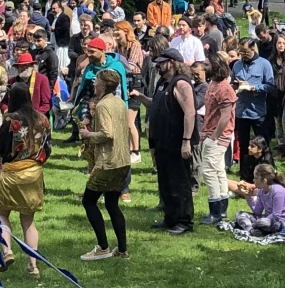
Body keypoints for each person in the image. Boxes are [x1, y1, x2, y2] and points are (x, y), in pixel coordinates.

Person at [136, 49, 200, 235]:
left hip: (177, 142)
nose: (158, 65)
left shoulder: (181, 84)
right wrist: (140, 98)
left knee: (179, 182)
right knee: (166, 183)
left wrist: (186, 141)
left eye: (162, 62)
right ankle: (170, 218)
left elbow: (190, 112)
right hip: (162, 141)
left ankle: (184, 221)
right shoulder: (163, 83)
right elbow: (156, 104)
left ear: (171, 62)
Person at [0, 84, 50, 277]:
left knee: (2, 214)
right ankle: (33, 265)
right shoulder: (43, 119)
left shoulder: (10, 118)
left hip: (11, 173)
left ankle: (7, 251)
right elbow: (48, 148)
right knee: (28, 221)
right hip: (33, 174)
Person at [80, 69, 133, 260]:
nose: (94, 84)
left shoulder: (102, 105)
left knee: (88, 201)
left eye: (96, 81)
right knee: (112, 204)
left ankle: (102, 248)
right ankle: (122, 249)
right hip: (123, 160)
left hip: (108, 162)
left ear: (103, 84)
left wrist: (88, 135)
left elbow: (107, 133)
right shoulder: (119, 102)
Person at [197, 58, 237, 224]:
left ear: (217, 66)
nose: (203, 67)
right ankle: (221, 210)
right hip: (210, 133)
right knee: (219, 170)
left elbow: (226, 116)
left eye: (207, 64)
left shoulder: (224, 88)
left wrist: (213, 137)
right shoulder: (213, 84)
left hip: (218, 135)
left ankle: (215, 212)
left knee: (209, 171)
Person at [234, 162, 285, 236]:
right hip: (267, 219)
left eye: (256, 178)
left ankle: (254, 229)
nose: (253, 180)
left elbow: (276, 214)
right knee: (240, 214)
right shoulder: (261, 191)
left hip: (283, 221)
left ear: (264, 180)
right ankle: (251, 230)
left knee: (263, 222)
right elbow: (257, 211)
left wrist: (259, 222)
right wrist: (248, 197)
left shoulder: (278, 191)